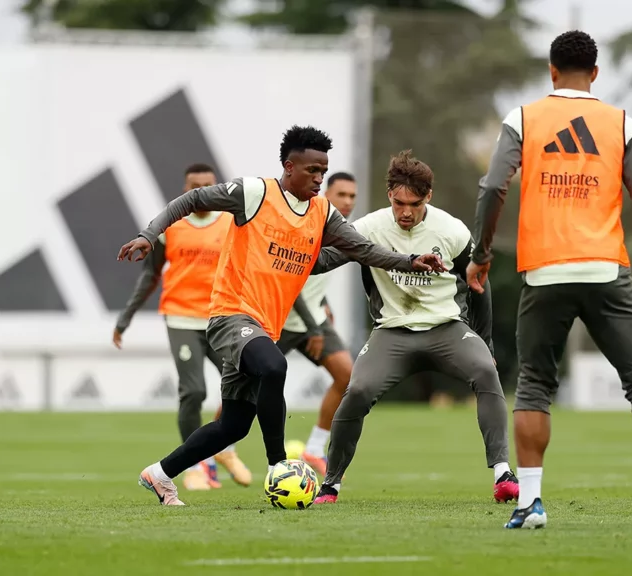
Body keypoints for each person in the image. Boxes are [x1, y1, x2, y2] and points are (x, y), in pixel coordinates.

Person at [117, 125, 445, 506]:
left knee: (233, 426)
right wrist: (147, 234)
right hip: (231, 314)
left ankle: (158, 475)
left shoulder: (321, 212)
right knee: (273, 366)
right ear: (289, 167)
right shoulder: (255, 193)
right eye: (312, 171)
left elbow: (362, 249)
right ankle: (279, 467)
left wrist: (409, 260)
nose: (320, 178)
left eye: (324, 170)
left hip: (264, 326)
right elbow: (190, 200)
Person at [467, 30, 632, 530]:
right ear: (595, 73)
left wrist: (482, 255)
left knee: (534, 384)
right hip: (605, 268)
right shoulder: (621, 123)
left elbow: (493, 186)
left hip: (545, 269)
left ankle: (530, 502)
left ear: (551, 71)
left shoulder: (523, 118)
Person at [308, 150, 519, 505]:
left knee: (485, 370)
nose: (405, 212)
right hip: (391, 332)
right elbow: (323, 261)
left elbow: (480, 286)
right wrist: (296, 246)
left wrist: (486, 344)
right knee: (357, 389)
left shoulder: (451, 230)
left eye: (415, 204)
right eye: (398, 202)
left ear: (429, 197)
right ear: (389, 194)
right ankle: (331, 485)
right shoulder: (369, 228)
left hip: (446, 327)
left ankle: (503, 474)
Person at [113, 163, 252, 492]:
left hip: (223, 317)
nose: (201, 192)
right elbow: (151, 275)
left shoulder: (233, 223)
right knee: (194, 392)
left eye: (207, 185)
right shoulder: (170, 226)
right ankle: (195, 466)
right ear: (185, 189)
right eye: (195, 186)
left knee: (246, 385)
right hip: (181, 318)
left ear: (216, 186)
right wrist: (126, 317)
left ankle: (225, 450)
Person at [277, 172, 358, 476]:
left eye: (352, 196)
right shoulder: (307, 223)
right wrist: (313, 328)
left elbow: (315, 278)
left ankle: (313, 449)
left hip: (316, 319)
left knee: (347, 376)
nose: (348, 201)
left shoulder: (342, 230)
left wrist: (324, 305)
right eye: (342, 195)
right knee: (244, 385)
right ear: (326, 194)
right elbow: (290, 284)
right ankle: (218, 454)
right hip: (281, 320)